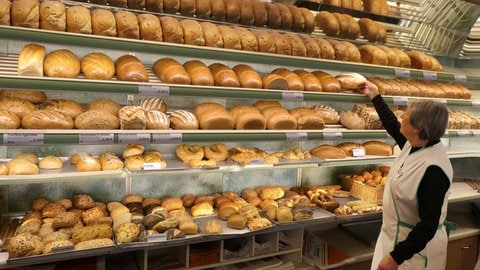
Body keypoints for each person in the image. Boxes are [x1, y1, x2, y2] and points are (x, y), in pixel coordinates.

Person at [357, 81, 453, 270]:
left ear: (417, 127)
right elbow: (393, 125)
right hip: (394, 240)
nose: (402, 116)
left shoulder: (434, 169)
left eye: (406, 114)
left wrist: (395, 258)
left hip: (415, 253)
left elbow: (429, 224)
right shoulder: (415, 144)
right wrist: (375, 96)